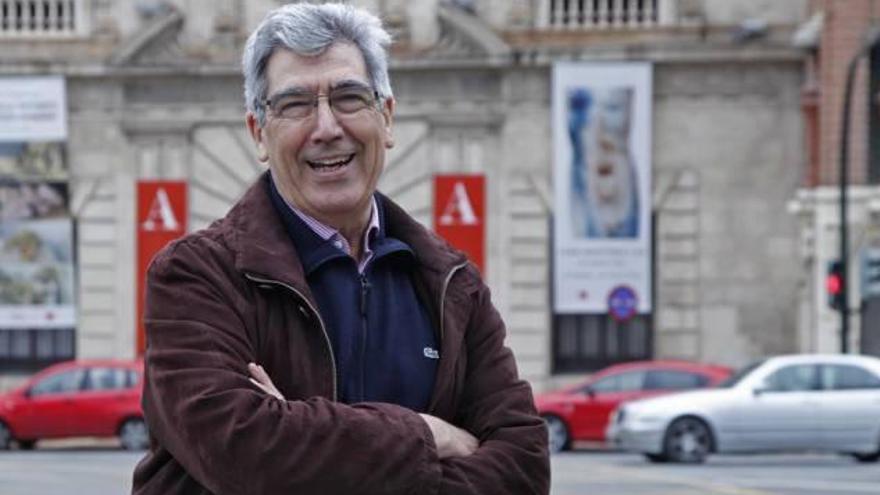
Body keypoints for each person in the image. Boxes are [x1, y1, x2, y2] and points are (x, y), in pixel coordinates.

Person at [132, 3, 549, 494]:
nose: (327, 128)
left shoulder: (452, 283)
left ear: (387, 117)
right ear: (259, 133)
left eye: (349, 97)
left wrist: (301, 433)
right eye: (294, 105)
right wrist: (428, 434)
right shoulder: (196, 276)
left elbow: (524, 465)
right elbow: (246, 455)